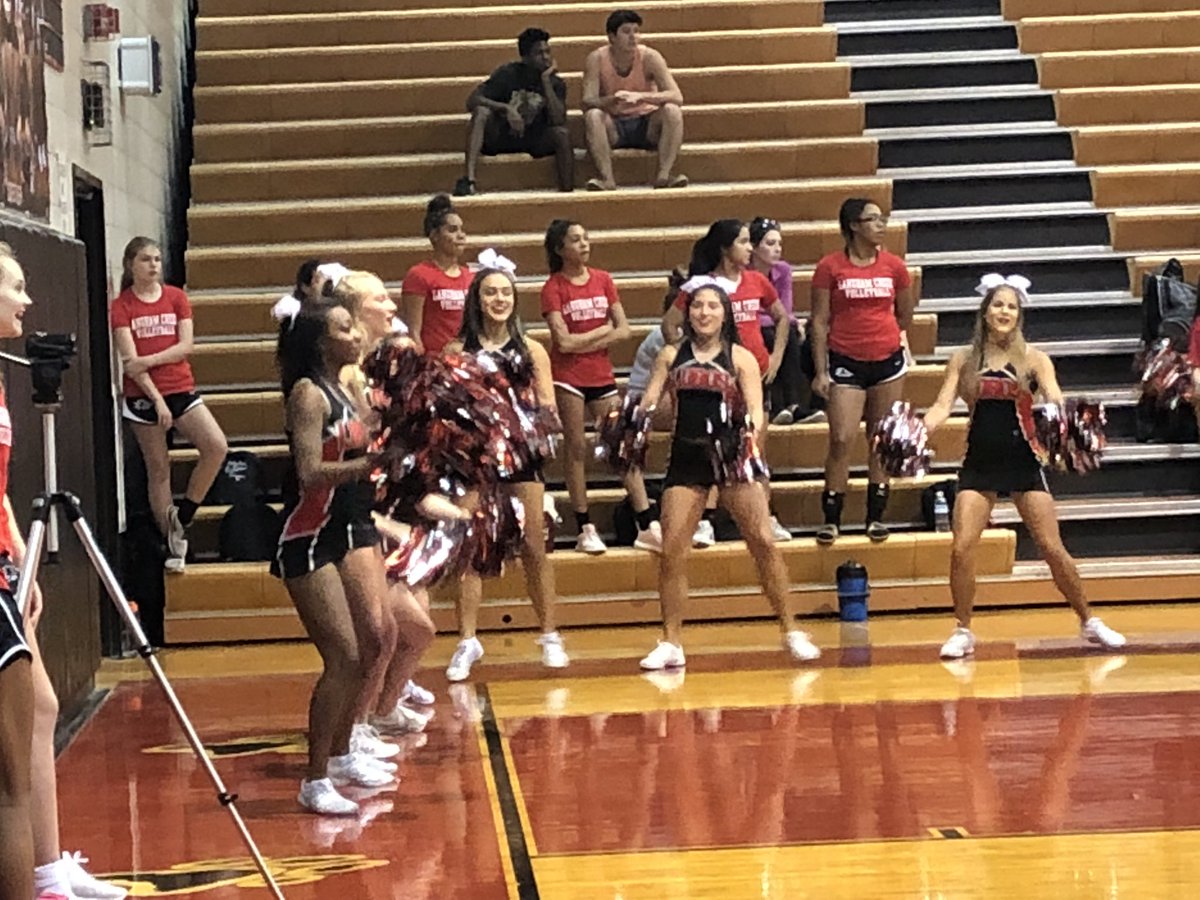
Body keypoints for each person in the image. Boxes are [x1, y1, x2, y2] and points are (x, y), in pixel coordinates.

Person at [1, 244, 129, 900]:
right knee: (9, 774)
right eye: (15, 287)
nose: (27, 300)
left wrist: (22, 556)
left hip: (3, 566)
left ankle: (49, 871)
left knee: (43, 706)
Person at [922, 276, 1126, 659]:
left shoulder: (1034, 359)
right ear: (985, 311)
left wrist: (1073, 425)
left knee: (1051, 547)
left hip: (1024, 462)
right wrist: (921, 428)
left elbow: (1055, 401)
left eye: (1011, 307)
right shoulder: (963, 359)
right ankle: (963, 630)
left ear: (1020, 315)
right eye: (998, 305)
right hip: (979, 462)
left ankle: (1089, 621)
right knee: (962, 547)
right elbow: (941, 405)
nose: (1004, 312)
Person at [636, 281, 820, 669]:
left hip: (733, 457)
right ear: (688, 314)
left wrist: (748, 438)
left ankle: (791, 630)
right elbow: (650, 401)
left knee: (764, 544)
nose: (704, 313)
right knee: (672, 552)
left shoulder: (741, 358)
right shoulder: (671, 355)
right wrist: (634, 417)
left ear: (725, 314)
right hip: (686, 459)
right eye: (698, 306)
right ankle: (671, 642)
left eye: (712, 306)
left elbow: (755, 409)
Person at [272, 300, 398, 815]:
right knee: (342, 656)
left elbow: (373, 432)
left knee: (371, 641)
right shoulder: (307, 394)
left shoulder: (342, 388)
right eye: (344, 328)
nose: (355, 335)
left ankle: (344, 752)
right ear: (320, 342)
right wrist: (371, 462)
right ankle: (314, 779)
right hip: (306, 533)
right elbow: (308, 471)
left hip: (342, 528)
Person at [443, 263, 569, 681]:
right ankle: (467, 639)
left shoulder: (532, 350)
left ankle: (550, 634)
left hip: (521, 459)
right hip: (475, 461)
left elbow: (548, 408)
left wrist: (527, 434)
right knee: (471, 548)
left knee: (534, 546)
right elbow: (446, 412)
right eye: (491, 293)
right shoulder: (455, 352)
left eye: (506, 293)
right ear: (477, 299)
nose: (499, 300)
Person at [333, 271, 437, 733]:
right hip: (352, 512)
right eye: (381, 299)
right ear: (356, 311)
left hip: (380, 505)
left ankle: (377, 714)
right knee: (383, 634)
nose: (392, 305)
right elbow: (351, 444)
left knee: (404, 632)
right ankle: (353, 730)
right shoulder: (347, 372)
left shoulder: (381, 362)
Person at [662, 219, 792, 542]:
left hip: (754, 377)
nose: (751, 248)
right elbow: (670, 323)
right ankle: (705, 518)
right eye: (744, 242)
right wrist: (686, 354)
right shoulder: (702, 287)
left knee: (756, 450)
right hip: (715, 384)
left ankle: (766, 515)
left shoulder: (757, 281)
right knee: (712, 449)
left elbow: (781, 317)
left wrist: (775, 357)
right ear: (724, 247)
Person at [110, 237, 228, 572]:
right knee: (158, 469)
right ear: (130, 263)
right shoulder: (121, 306)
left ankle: (185, 514)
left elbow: (185, 346)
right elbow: (130, 365)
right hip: (144, 396)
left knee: (216, 446)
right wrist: (157, 400)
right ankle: (174, 542)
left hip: (180, 387)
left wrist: (148, 360)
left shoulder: (176, 297)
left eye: (158, 259)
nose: (154, 266)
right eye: (146, 259)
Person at [810, 199, 914, 545]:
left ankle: (875, 515)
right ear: (854, 225)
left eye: (882, 219)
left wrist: (886, 339)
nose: (881, 225)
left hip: (886, 359)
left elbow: (905, 314)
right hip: (845, 359)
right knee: (841, 438)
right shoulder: (829, 267)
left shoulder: (895, 267)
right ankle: (832, 517)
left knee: (880, 439)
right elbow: (820, 320)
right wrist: (821, 370)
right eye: (873, 219)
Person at [540, 219, 631, 554]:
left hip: (602, 375)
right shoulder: (553, 287)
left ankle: (646, 519)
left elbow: (624, 330)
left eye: (586, 237)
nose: (584, 244)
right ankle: (584, 526)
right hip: (568, 377)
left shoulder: (604, 279)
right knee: (576, 448)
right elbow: (562, 343)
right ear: (559, 248)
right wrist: (599, 333)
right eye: (575, 239)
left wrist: (584, 340)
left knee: (620, 445)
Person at [455, 28, 573, 196]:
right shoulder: (508, 74)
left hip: (534, 137)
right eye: (539, 53)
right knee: (481, 113)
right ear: (525, 57)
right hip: (501, 134)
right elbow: (472, 100)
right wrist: (506, 108)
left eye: (548, 51)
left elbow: (558, 120)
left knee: (562, 134)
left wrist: (546, 82)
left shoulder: (555, 82)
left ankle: (567, 193)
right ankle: (468, 181)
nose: (546, 57)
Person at [582, 9, 686, 191]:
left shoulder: (650, 57)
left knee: (673, 110)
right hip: (614, 125)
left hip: (647, 123)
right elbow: (587, 101)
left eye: (636, 31)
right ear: (612, 37)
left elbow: (676, 96)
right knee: (593, 115)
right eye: (626, 31)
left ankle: (664, 175)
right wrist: (610, 100)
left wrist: (641, 97)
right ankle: (607, 178)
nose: (633, 37)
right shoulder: (597, 59)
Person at [748, 216, 824, 426]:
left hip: (776, 323)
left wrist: (790, 321)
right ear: (754, 248)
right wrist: (781, 321)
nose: (777, 249)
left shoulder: (783, 270)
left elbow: (786, 308)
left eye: (780, 244)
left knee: (789, 331)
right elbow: (750, 311)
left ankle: (793, 404)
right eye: (770, 244)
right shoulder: (745, 274)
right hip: (753, 325)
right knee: (775, 333)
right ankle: (778, 405)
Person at [400, 195, 472, 355]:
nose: (461, 235)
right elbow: (414, 332)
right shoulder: (419, 275)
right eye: (452, 230)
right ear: (434, 235)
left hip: (466, 360)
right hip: (433, 363)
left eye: (462, 229)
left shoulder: (470, 277)